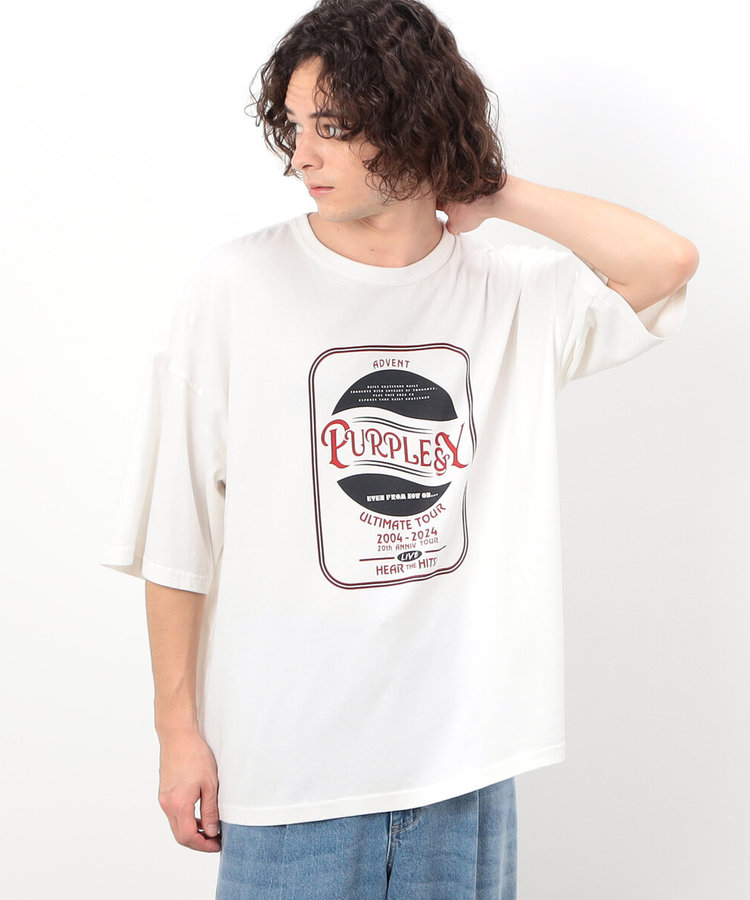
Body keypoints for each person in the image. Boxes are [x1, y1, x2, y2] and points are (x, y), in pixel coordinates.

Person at [99, 1, 699, 897]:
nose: (302, 157)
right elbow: (178, 534)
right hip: (291, 776)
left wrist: (491, 190)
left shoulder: (509, 296)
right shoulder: (235, 288)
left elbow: (666, 263)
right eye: (296, 126)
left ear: (415, 124)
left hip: (463, 769)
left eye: (334, 128)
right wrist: (177, 731)